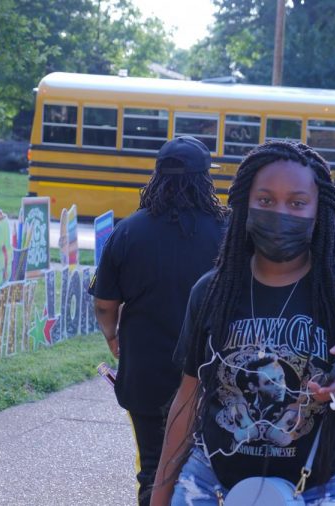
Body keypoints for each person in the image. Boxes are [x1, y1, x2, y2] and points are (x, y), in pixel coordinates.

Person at [149, 141, 335, 506]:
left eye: (297, 203)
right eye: (266, 200)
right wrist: (161, 492)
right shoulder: (212, 290)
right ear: (244, 205)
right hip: (209, 487)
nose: (281, 212)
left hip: (319, 490)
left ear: (320, 210)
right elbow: (188, 398)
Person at [90, 136, 227, 506]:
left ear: (156, 176)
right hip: (213, 373)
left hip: (147, 371)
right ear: (205, 180)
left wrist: (112, 335)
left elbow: (105, 303)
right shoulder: (228, 231)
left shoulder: (129, 230)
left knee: (153, 466)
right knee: (216, 468)